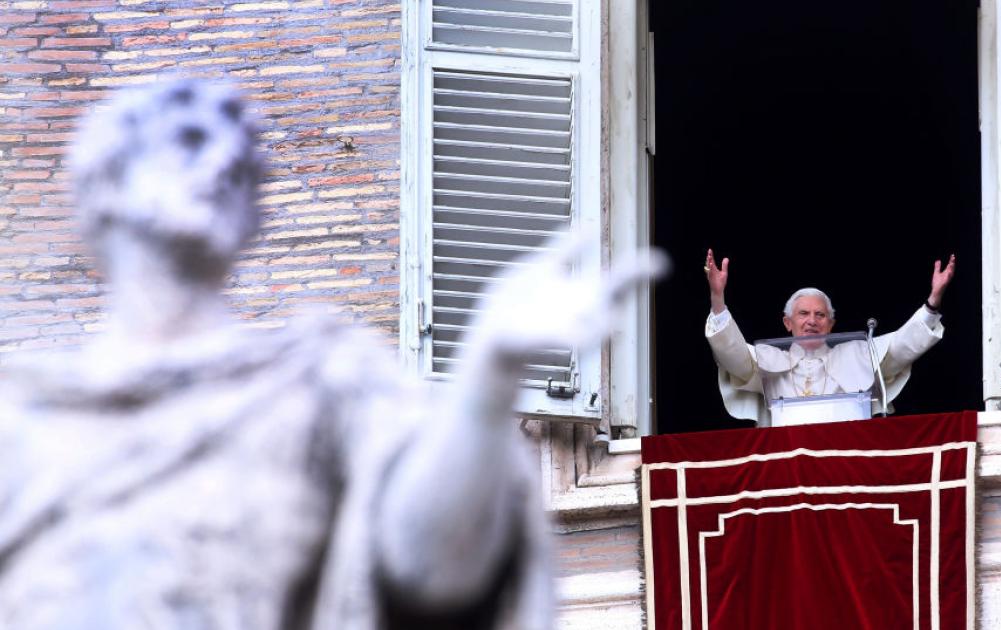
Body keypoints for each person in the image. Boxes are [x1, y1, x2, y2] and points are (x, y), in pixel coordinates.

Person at [0, 80, 663, 630]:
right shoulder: (18, 417)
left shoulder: (319, 385)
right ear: (107, 180)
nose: (223, 165)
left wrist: (489, 376)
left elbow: (433, 575)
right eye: (190, 142)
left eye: (243, 166)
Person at [703, 248, 955, 425]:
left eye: (820, 315)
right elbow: (734, 357)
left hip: (848, 456)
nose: (812, 321)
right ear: (787, 323)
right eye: (803, 314)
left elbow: (899, 349)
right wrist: (718, 300)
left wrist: (932, 303)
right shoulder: (768, 360)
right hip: (789, 461)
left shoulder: (857, 354)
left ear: (831, 324)